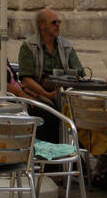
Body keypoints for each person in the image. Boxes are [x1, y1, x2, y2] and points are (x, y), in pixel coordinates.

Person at [17, 8, 84, 143]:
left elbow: (80, 72)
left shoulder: (66, 45)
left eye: (59, 22)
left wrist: (67, 79)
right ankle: (54, 157)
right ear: (42, 25)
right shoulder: (29, 46)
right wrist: (47, 94)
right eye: (54, 22)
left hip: (63, 93)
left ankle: (75, 155)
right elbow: (26, 78)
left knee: (84, 115)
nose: (58, 25)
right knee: (50, 115)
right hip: (38, 93)